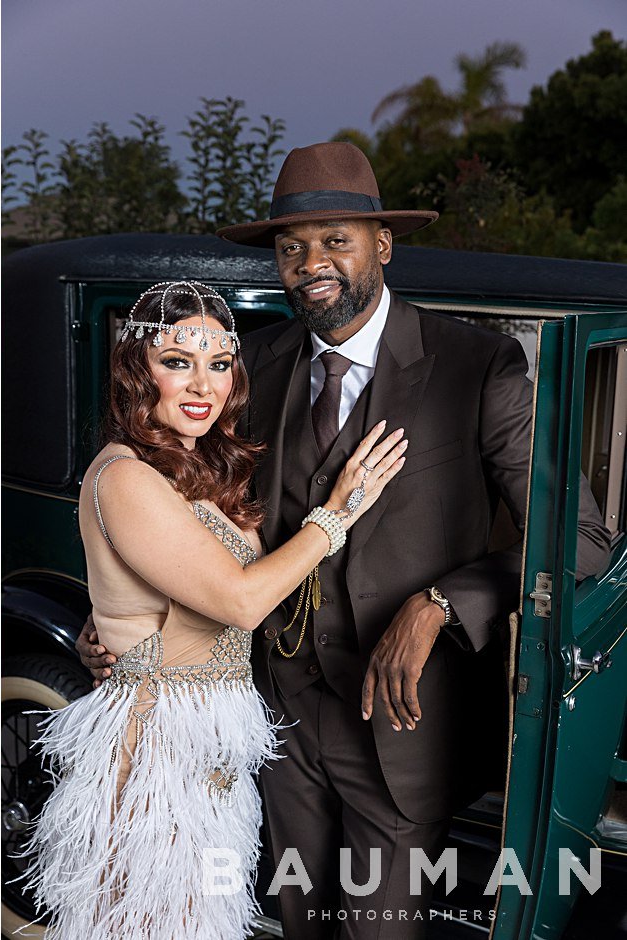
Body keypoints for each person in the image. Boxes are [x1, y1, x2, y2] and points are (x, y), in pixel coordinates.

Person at [79, 143, 613, 938]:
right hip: (272, 712)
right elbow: (180, 508)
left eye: (336, 241)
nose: (310, 263)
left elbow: (582, 539)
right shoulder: (246, 367)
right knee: (295, 919)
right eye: (292, 249)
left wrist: (439, 606)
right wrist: (128, 623)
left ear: (382, 245)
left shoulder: (477, 364)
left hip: (401, 724)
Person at [24, 281, 407, 939]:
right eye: (177, 361)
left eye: (219, 363)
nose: (201, 382)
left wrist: (108, 623)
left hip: (212, 739)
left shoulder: (199, 466)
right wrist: (338, 512)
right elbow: (242, 600)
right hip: (156, 745)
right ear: (138, 371)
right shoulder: (125, 476)